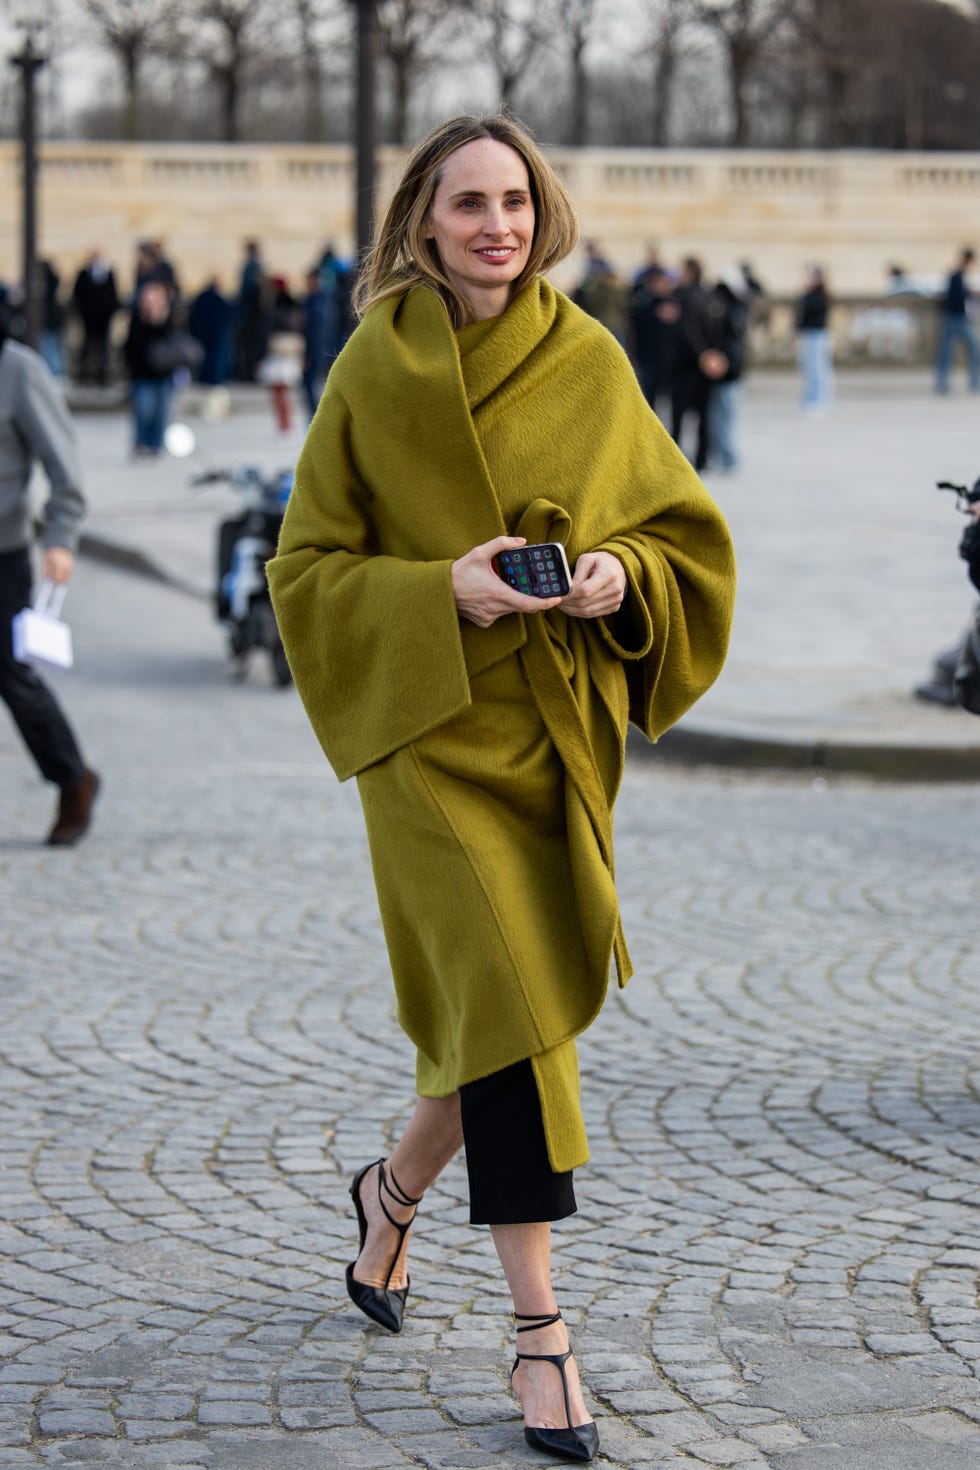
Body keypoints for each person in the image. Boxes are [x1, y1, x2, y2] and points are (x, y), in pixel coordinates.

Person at [267, 114, 734, 1465]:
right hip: (427, 734)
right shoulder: (373, 367)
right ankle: (543, 1334)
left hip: (551, 737)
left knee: (498, 999)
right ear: (423, 220)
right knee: (521, 1017)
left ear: (544, 213)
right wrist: (440, 590)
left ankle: (389, 1192)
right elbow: (305, 570)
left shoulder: (587, 355)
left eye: (515, 200)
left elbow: (676, 528)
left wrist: (618, 577)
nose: (496, 224)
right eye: (468, 202)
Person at [0, 301, 100, 845]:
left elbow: (65, 470)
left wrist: (60, 538)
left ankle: (73, 777)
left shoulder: (19, 371)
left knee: (14, 677)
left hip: (3, 553)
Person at [123, 280, 177, 457]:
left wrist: (159, 319)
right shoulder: (138, 318)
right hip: (143, 374)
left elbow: (173, 343)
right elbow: (133, 345)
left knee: (161, 413)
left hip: (163, 374)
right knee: (143, 410)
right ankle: (141, 442)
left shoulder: (168, 318)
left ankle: (156, 444)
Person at [626, 263, 679, 420]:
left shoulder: (676, 303)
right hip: (648, 360)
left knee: (672, 404)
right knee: (649, 402)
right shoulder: (644, 303)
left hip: (671, 362)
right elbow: (633, 326)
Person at [71, 250, 120, 386]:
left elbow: (113, 295)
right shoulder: (84, 273)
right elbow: (77, 294)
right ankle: (84, 375)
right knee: (87, 345)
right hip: (88, 317)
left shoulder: (108, 273)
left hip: (103, 318)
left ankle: (102, 375)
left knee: (103, 347)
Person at [935, 247, 979, 395]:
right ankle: (972, 383)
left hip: (953, 317)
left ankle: (942, 384)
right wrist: (971, 294)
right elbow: (956, 297)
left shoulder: (956, 275)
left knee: (947, 353)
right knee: (971, 350)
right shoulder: (957, 276)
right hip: (956, 318)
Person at [796, 265, 833, 416]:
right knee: (808, 368)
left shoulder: (820, 295)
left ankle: (819, 400)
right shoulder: (810, 294)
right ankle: (810, 398)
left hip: (817, 334)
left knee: (818, 369)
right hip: (808, 333)